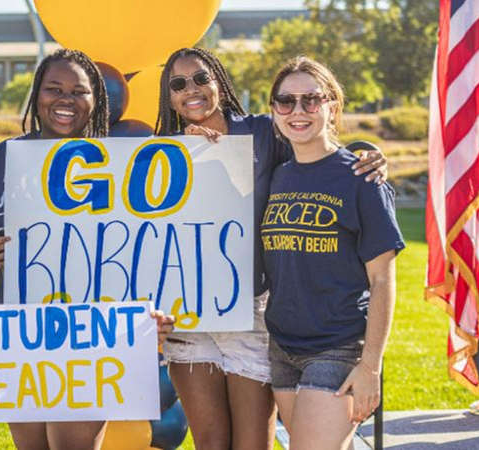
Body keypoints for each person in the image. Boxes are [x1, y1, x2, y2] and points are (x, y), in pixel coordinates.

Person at [153, 47, 387, 450]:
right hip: (188, 315)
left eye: (201, 78)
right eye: (178, 84)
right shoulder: (158, 151)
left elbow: (317, 152)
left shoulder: (264, 131)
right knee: (210, 442)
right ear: (168, 95)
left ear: (219, 83)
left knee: (253, 442)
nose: (191, 89)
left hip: (253, 310)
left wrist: (371, 160)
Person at [0, 48, 174, 450]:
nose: (65, 99)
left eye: (78, 91)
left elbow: (147, 246)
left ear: (96, 101)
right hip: (18, 328)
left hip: (89, 333)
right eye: (54, 89)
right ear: (37, 94)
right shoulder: (5, 156)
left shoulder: (117, 163)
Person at [262, 56, 403, 450]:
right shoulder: (277, 174)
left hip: (337, 345)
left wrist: (371, 366)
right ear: (273, 109)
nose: (298, 111)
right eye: (286, 101)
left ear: (332, 106)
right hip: (282, 346)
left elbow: (382, 280)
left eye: (311, 99)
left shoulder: (361, 178)